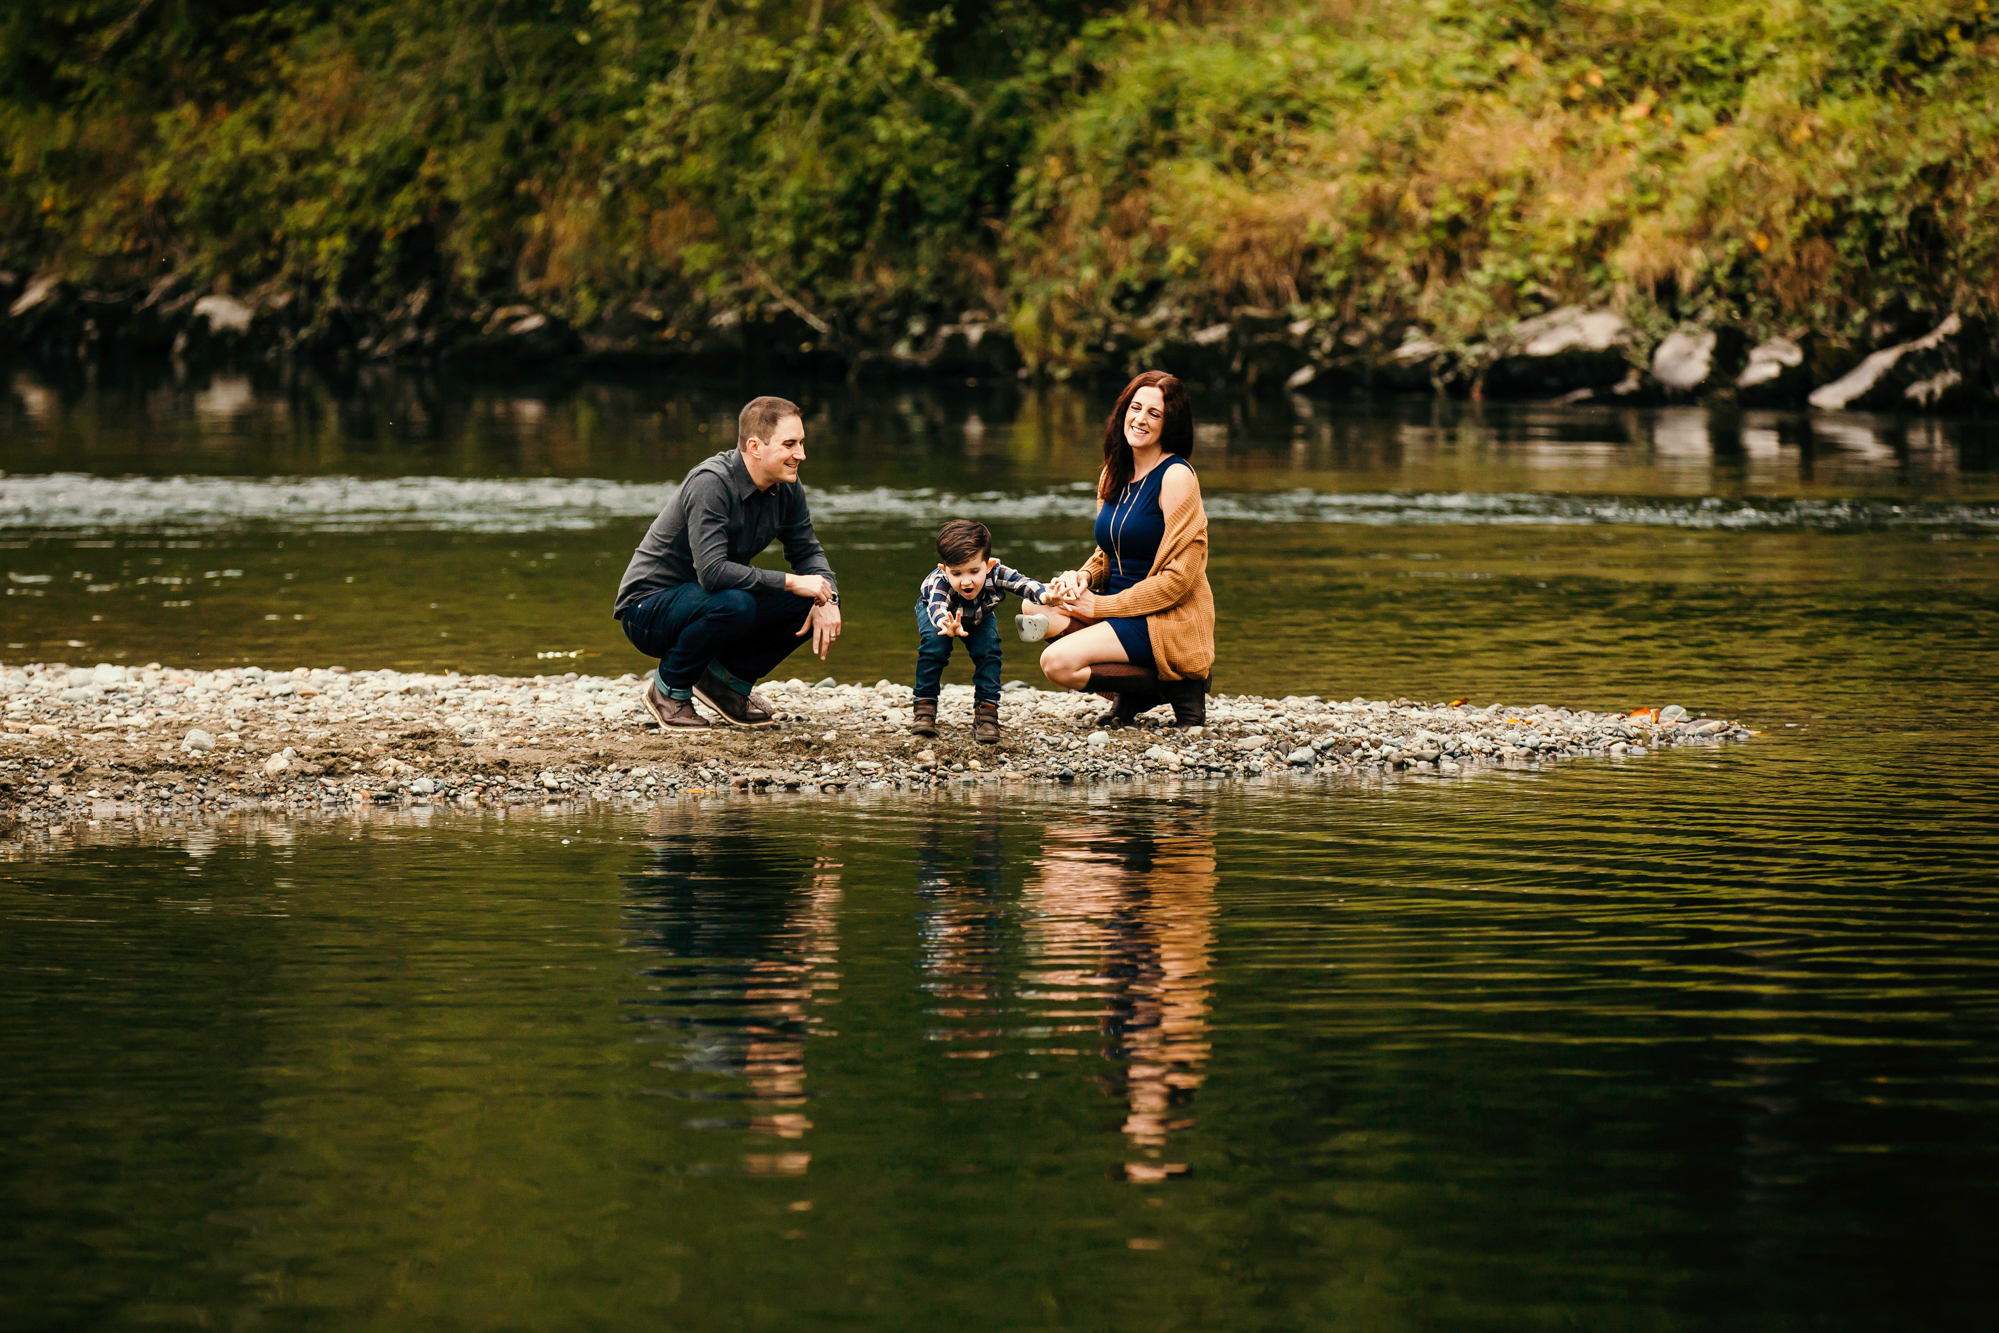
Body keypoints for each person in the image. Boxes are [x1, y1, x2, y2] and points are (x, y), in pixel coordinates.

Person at [613, 395, 841, 731]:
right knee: (737, 602)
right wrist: (793, 581)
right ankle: (668, 691)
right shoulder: (711, 483)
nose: (801, 455)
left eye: (802, 443)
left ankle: (726, 685)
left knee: (809, 596)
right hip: (647, 609)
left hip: (707, 600)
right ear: (755, 446)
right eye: (790, 444)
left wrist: (828, 597)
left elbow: (808, 552)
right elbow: (713, 571)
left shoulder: (787, 488)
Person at [1027, 370, 1215, 728]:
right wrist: (1081, 578)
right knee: (1037, 603)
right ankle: (1139, 690)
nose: (1140, 419)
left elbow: (1180, 580)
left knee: (1056, 663)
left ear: (1169, 423)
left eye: (1154, 414)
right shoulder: (1114, 472)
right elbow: (1108, 553)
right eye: (1135, 407)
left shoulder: (1177, 476)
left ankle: (1177, 685)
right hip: (1117, 608)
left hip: (1162, 618)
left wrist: (1099, 605)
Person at [912, 518, 1050, 744]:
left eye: (974, 571)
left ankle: (986, 714)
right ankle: (925, 709)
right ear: (944, 569)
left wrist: (1045, 596)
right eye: (956, 574)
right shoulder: (939, 584)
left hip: (979, 615)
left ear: (989, 565)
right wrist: (946, 624)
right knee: (934, 648)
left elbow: (1023, 583)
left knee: (989, 652)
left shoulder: (997, 572)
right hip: (941, 617)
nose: (966, 581)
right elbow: (937, 607)